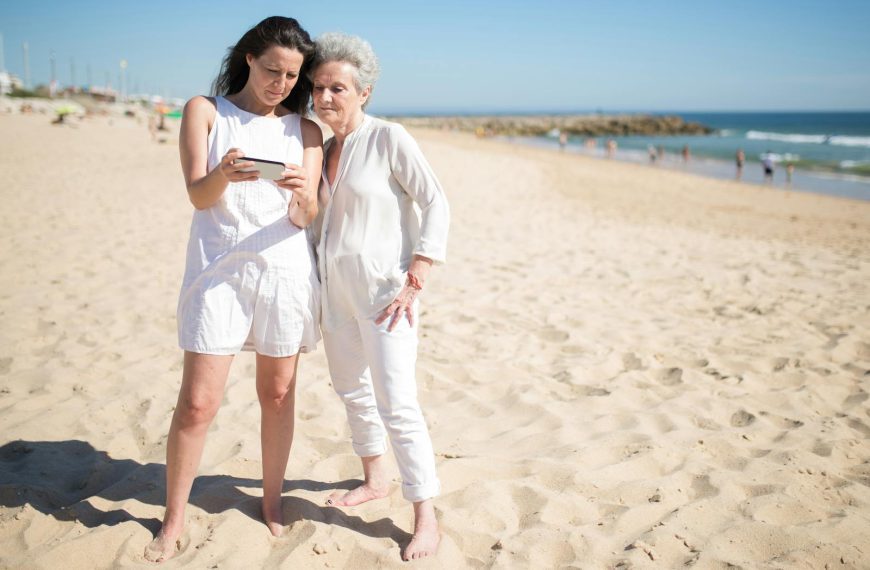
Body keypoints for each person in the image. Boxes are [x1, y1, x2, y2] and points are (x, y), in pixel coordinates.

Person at [144, 16, 323, 563]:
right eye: (273, 70)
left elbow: (307, 216)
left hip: (284, 272)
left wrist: (301, 192)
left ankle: (271, 503)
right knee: (198, 403)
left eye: (293, 76)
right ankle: (173, 518)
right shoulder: (206, 111)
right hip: (216, 271)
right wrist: (225, 173)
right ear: (248, 58)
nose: (282, 84)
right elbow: (199, 196)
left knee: (276, 395)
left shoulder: (307, 131)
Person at [309, 32, 449, 561]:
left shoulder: (389, 137)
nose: (325, 98)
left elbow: (435, 202)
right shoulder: (321, 150)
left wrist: (418, 272)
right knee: (352, 391)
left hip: (388, 293)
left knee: (397, 403)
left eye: (337, 88)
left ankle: (425, 517)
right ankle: (374, 479)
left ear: (363, 92)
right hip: (334, 294)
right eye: (318, 88)